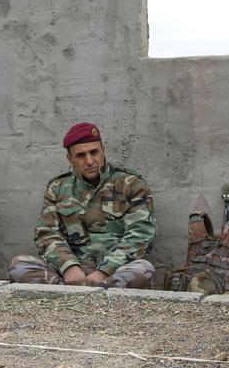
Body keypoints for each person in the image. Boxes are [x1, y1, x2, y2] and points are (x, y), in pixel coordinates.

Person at [8, 122, 156, 288]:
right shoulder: (57, 188)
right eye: (80, 155)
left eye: (94, 152)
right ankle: (75, 293)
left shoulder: (131, 184)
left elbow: (141, 234)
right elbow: (47, 233)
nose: (89, 161)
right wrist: (68, 266)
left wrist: (105, 270)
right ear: (70, 159)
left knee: (144, 269)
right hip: (69, 274)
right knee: (19, 265)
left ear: (103, 149)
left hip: (114, 272)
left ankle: (71, 295)